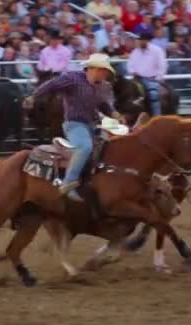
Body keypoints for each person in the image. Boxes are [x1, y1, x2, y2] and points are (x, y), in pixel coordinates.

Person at [22, 53, 125, 202]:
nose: (106, 74)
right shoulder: (73, 78)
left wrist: (114, 113)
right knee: (84, 147)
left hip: (92, 124)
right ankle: (68, 183)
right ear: (93, 69)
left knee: (108, 148)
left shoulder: (99, 86)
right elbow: (52, 84)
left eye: (106, 72)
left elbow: (102, 104)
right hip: (74, 124)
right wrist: (34, 96)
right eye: (104, 71)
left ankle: (93, 181)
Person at [127, 32, 167, 116]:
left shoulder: (157, 50)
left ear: (147, 41)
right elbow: (129, 65)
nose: (141, 42)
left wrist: (158, 78)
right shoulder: (135, 52)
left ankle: (157, 117)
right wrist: (133, 71)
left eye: (143, 40)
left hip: (151, 78)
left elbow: (162, 66)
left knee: (153, 95)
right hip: (137, 78)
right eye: (140, 40)